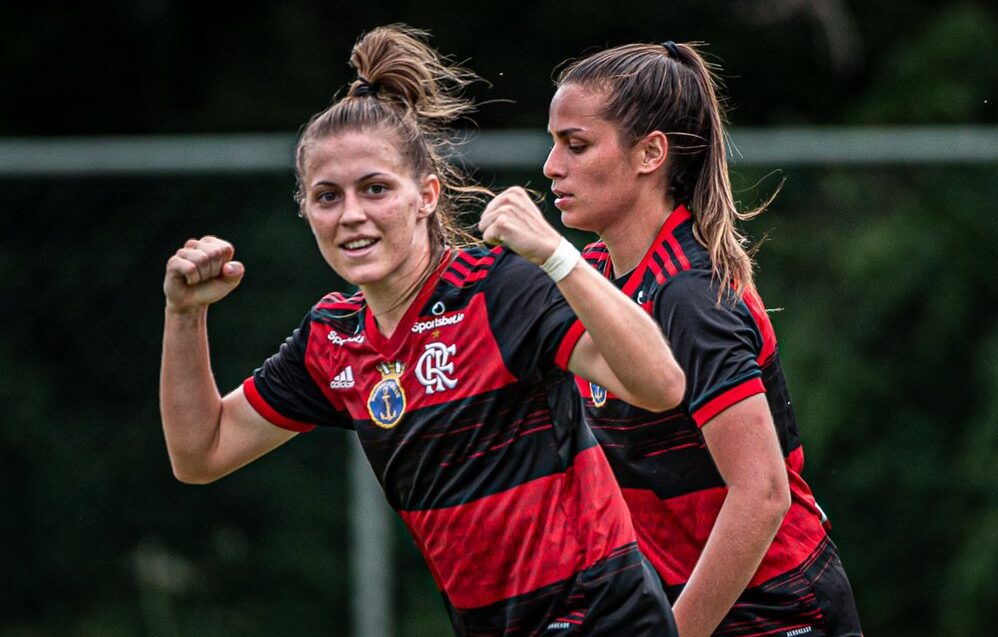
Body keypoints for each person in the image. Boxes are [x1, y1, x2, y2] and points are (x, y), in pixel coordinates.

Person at [160, 25, 686, 637]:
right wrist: (184, 315)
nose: (352, 214)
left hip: (603, 620)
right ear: (306, 210)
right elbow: (200, 453)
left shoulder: (497, 289)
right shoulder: (333, 339)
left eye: (376, 188)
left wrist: (555, 255)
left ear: (427, 195)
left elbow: (660, 385)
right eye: (328, 196)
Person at [541, 41, 863, 637]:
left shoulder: (688, 297)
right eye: (554, 142)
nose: (551, 166)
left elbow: (762, 493)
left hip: (772, 612)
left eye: (576, 144)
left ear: (650, 155)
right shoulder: (597, 278)